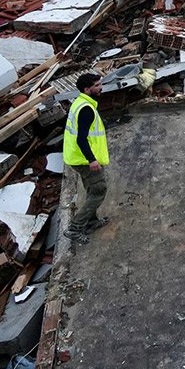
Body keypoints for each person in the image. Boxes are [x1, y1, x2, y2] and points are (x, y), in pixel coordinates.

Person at [62, 73, 111, 245]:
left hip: (75, 156)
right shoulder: (86, 110)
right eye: (97, 85)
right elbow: (81, 139)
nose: (101, 88)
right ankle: (75, 228)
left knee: (92, 188)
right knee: (99, 190)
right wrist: (92, 160)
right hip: (83, 159)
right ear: (87, 89)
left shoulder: (80, 102)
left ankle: (91, 221)